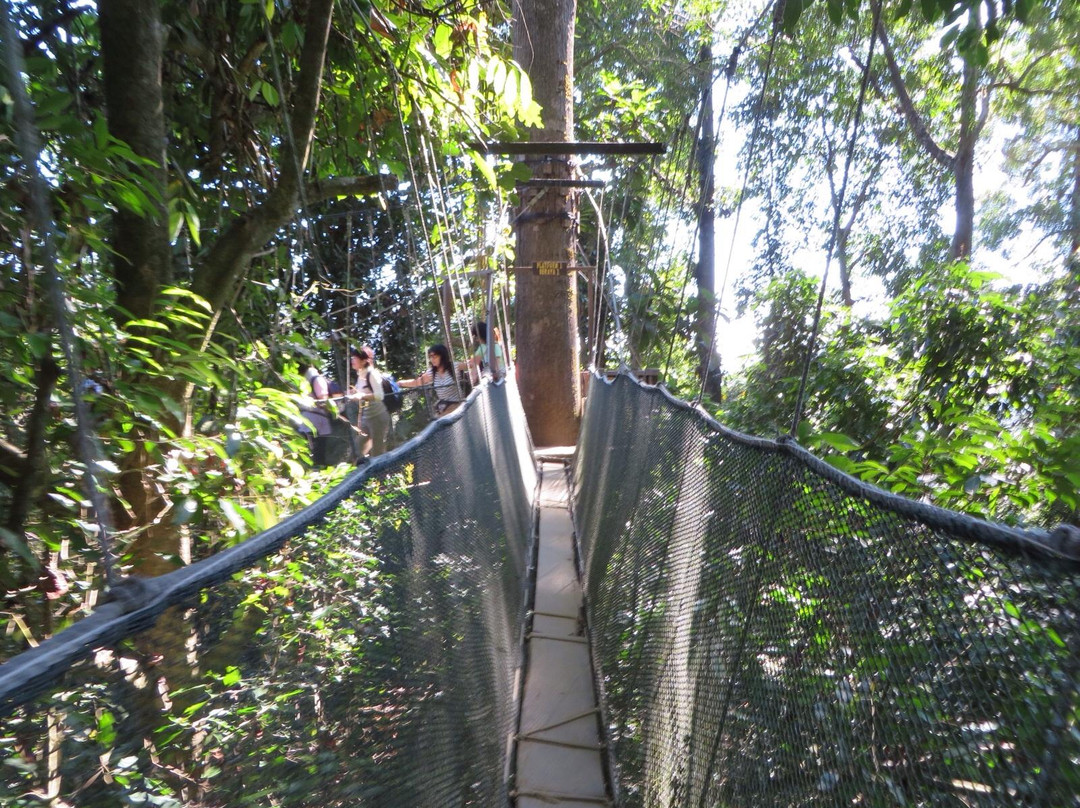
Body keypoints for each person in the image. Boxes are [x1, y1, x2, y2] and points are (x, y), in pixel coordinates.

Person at [398, 344, 462, 416]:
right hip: (444, 406)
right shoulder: (431, 373)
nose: (432, 359)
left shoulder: (454, 366)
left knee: (443, 419)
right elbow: (416, 382)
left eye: (434, 357)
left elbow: (470, 364)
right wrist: (399, 383)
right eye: (430, 357)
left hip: (458, 404)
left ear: (442, 356)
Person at [349, 345, 390, 459]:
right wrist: (351, 393)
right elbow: (361, 391)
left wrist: (361, 396)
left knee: (377, 452)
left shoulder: (371, 374)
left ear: (363, 361)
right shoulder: (361, 374)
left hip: (378, 417)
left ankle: (383, 471)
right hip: (367, 418)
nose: (352, 360)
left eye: (355, 358)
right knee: (357, 450)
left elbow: (379, 395)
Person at [298, 362, 334, 466]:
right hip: (317, 420)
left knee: (312, 450)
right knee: (319, 451)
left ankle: (313, 468)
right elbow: (323, 400)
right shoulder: (317, 379)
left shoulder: (304, 380)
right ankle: (319, 467)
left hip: (307, 420)